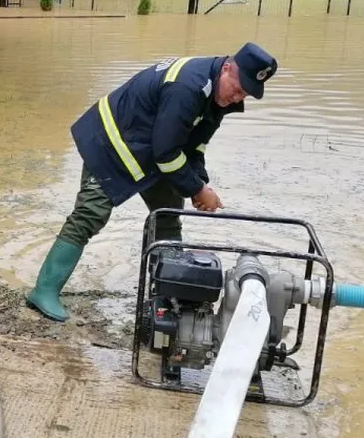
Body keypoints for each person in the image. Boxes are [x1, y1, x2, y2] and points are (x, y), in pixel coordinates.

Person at [26, 43, 277, 322]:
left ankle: (168, 295)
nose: (237, 97)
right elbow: (167, 153)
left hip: (151, 148)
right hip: (112, 142)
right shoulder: (188, 87)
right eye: (238, 88)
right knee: (90, 215)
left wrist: (199, 184)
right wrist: (196, 189)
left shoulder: (218, 95)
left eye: (245, 94)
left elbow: (196, 146)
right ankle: (44, 290)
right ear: (228, 68)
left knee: (168, 217)